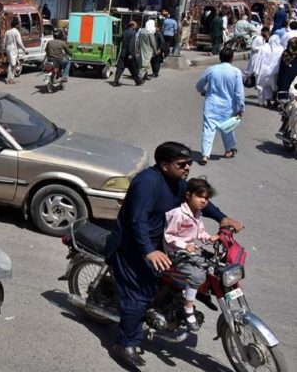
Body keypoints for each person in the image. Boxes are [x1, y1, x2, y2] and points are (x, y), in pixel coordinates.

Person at [104, 142, 243, 368]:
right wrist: (149, 250)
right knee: (140, 294)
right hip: (133, 246)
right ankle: (124, 343)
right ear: (165, 165)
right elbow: (136, 220)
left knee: (190, 271)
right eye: (182, 164)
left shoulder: (176, 183)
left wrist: (222, 218)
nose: (188, 167)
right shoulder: (147, 184)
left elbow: (196, 200)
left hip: (162, 242)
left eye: (189, 163)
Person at [163, 177, 220, 332]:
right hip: (175, 253)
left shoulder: (197, 213)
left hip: (190, 251)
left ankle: (201, 293)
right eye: (200, 196)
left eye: (206, 198)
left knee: (215, 266)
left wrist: (209, 238)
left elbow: (199, 231)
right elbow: (169, 236)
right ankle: (188, 308)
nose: (203, 201)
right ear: (188, 195)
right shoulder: (177, 214)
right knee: (197, 275)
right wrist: (184, 245)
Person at [196, 47, 245, 164]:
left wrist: (203, 91)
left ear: (219, 57)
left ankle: (205, 155)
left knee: (208, 129)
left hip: (211, 105)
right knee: (227, 128)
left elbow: (199, 85)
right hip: (228, 107)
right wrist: (241, 108)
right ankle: (228, 150)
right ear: (232, 58)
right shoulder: (236, 72)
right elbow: (239, 93)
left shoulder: (211, 70)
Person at [257, 35, 285, 108]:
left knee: (261, 86)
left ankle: (261, 102)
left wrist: (256, 70)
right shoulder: (281, 49)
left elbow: (258, 59)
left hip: (263, 70)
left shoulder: (264, 47)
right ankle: (270, 100)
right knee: (271, 87)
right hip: (274, 71)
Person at [113, 22, 143, 86]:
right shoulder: (133, 33)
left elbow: (120, 42)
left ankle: (115, 81)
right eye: (135, 25)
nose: (136, 27)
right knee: (133, 68)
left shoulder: (124, 32)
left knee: (120, 67)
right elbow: (131, 44)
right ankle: (138, 81)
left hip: (123, 52)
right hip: (129, 53)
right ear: (132, 26)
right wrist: (130, 54)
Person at [3, 18, 27, 84]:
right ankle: (9, 79)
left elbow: (4, 41)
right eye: (18, 24)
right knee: (12, 64)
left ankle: (10, 78)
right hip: (13, 48)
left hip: (8, 48)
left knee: (11, 63)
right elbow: (19, 42)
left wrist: (4, 50)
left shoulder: (7, 32)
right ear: (16, 25)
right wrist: (24, 50)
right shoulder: (16, 32)